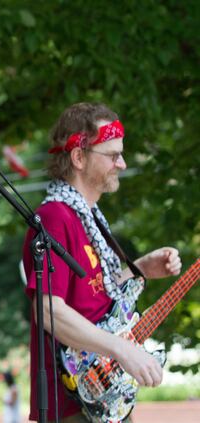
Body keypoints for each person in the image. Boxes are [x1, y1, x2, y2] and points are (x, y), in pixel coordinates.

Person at [22, 103, 182, 422]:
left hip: (106, 395)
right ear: (79, 158)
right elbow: (49, 310)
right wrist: (121, 349)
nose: (121, 164)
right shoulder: (55, 217)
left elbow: (93, 302)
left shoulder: (88, 216)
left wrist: (140, 268)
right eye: (111, 155)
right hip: (72, 402)